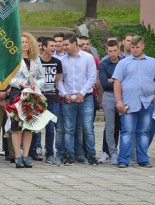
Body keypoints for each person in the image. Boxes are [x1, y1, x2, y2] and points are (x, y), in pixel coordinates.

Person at [113, 35, 155, 168]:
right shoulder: (123, 63)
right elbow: (117, 82)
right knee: (127, 131)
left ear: (143, 46)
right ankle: (123, 160)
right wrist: (119, 101)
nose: (135, 50)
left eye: (137, 47)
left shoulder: (152, 62)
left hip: (147, 102)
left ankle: (143, 159)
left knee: (144, 131)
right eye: (133, 47)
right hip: (128, 102)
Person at [57, 33, 97, 166]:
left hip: (86, 98)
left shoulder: (88, 58)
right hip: (68, 98)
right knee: (69, 128)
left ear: (74, 44)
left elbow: (92, 77)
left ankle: (91, 155)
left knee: (87, 128)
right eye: (63, 45)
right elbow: (59, 80)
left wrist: (82, 93)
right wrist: (63, 94)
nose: (64, 47)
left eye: (66, 44)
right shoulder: (62, 61)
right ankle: (69, 155)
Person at [9, 32, 45, 168]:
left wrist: (36, 84)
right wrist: (19, 83)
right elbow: (8, 77)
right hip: (18, 93)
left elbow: (42, 77)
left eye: (26, 42)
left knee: (29, 126)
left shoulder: (36, 59)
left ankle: (26, 155)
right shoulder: (13, 59)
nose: (24, 44)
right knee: (17, 126)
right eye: (22, 42)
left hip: (32, 93)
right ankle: (17, 155)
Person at [39, 37, 62, 165]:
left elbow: (56, 81)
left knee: (50, 127)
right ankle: (33, 152)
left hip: (52, 98)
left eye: (55, 46)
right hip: (38, 98)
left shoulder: (57, 62)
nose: (54, 48)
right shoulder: (36, 61)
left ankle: (49, 154)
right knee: (36, 127)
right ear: (44, 47)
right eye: (51, 46)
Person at [99, 40, 121, 165]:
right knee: (110, 126)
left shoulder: (124, 62)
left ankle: (125, 152)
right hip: (108, 96)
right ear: (107, 51)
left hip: (123, 96)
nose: (113, 54)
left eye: (115, 50)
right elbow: (104, 84)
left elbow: (127, 81)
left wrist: (112, 79)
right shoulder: (103, 64)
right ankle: (112, 152)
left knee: (125, 126)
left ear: (119, 50)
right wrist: (118, 80)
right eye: (110, 51)